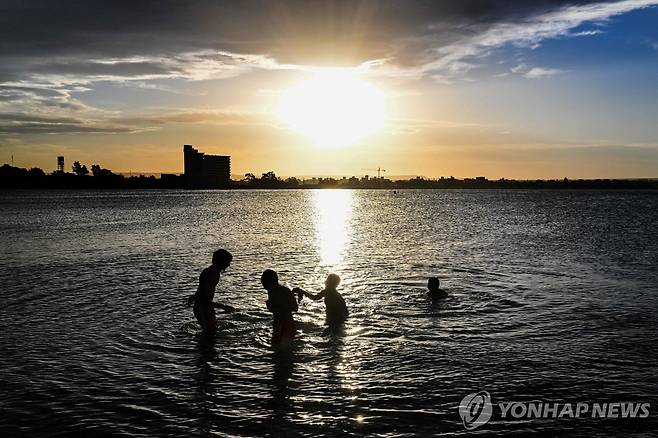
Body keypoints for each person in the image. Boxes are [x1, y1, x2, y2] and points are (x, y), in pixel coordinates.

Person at [187, 249, 235, 333]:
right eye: (228, 262)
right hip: (203, 308)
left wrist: (194, 297)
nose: (229, 265)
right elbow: (205, 300)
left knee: (209, 331)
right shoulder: (214, 274)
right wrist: (224, 307)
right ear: (222, 262)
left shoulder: (207, 270)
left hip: (199, 307)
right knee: (210, 334)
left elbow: (201, 290)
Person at [261, 269, 298, 346]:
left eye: (265, 285)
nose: (264, 287)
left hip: (287, 324)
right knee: (275, 347)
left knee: (283, 349)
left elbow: (295, 307)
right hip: (277, 324)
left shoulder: (285, 291)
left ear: (272, 282)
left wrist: (279, 306)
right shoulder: (271, 290)